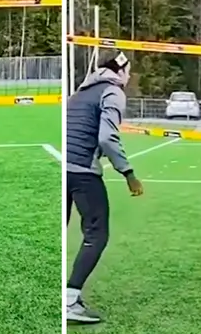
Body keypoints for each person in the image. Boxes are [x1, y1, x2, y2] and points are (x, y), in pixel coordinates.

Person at [65, 52, 143, 325]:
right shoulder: (113, 92)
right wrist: (128, 173)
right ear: (119, 72)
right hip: (82, 171)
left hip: (61, 166)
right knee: (97, 234)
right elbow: (107, 137)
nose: (130, 76)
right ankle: (70, 300)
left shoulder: (79, 92)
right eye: (129, 71)